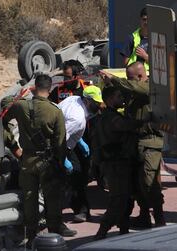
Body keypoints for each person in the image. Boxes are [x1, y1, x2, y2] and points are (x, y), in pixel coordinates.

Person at [3, 74, 77, 247]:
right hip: (49, 162)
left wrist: (20, 95)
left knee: (29, 198)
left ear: (34, 87)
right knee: (52, 199)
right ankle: (53, 237)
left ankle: (31, 237)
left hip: (28, 160)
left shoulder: (21, 106)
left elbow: (5, 106)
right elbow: (61, 141)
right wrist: (60, 163)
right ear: (50, 89)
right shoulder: (55, 110)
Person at [100, 62, 166, 228]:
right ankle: (144, 216)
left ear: (140, 76)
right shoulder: (132, 90)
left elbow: (136, 89)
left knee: (148, 181)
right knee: (136, 184)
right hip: (134, 142)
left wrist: (114, 79)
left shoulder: (150, 87)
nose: (128, 82)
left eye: (130, 78)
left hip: (150, 141)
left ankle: (159, 220)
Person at [94, 86, 143, 240]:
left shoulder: (107, 116)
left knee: (126, 199)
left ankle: (124, 230)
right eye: (119, 96)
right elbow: (126, 126)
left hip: (119, 163)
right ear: (109, 99)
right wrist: (146, 119)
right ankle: (102, 231)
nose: (122, 99)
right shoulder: (110, 117)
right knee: (119, 199)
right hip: (116, 164)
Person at [58, 85, 103, 223]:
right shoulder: (77, 118)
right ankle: (57, 217)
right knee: (70, 178)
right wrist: (63, 158)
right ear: (88, 101)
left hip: (70, 140)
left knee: (78, 177)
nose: (99, 105)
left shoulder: (74, 99)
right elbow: (60, 138)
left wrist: (79, 140)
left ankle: (81, 210)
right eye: (96, 103)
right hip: (60, 146)